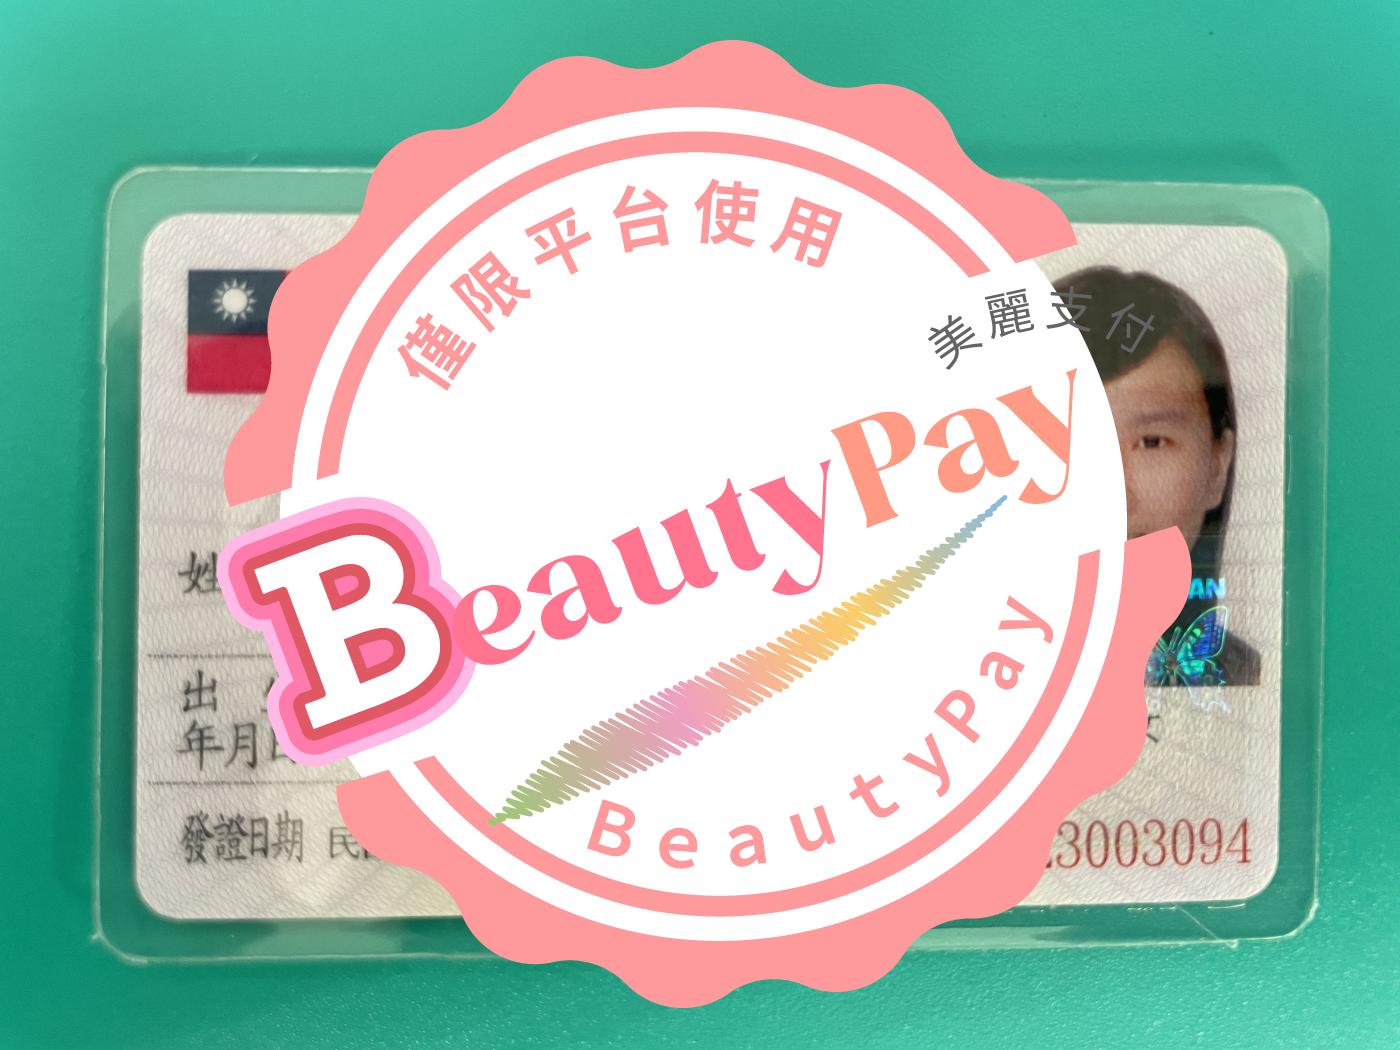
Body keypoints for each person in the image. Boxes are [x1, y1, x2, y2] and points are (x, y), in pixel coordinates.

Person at [1054, 266, 1260, 686]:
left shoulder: (1253, 682)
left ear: (1217, 466)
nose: (1114, 496)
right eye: (1067, 442)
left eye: (1151, 442)